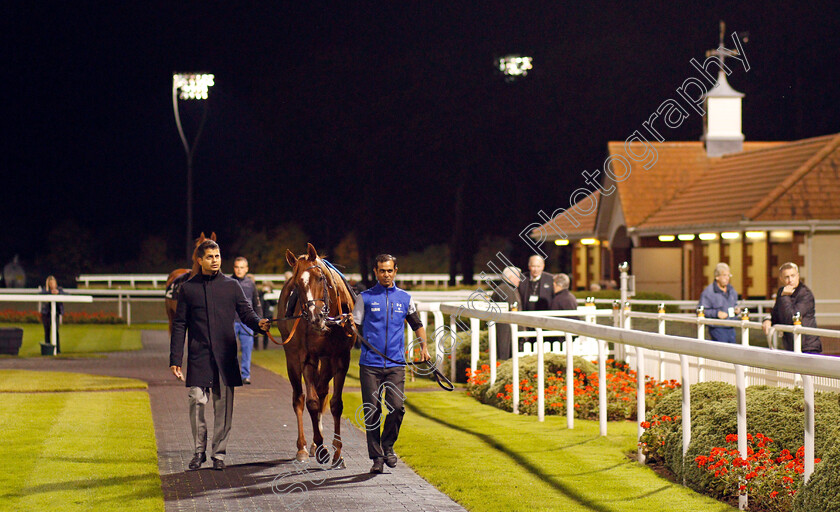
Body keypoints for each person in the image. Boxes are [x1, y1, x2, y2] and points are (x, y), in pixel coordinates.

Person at [169, 240, 270, 471]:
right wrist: (175, 359)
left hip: (225, 358)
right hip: (199, 356)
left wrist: (259, 324)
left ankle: (219, 455)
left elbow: (246, 313)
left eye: (217, 255)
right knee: (196, 401)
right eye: (210, 256)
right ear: (200, 260)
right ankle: (198, 452)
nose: (215, 260)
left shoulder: (232, 286)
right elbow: (179, 324)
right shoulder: (188, 288)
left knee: (223, 409)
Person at [353, 254, 430, 474]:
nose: (386, 274)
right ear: (375, 272)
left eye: (389, 270)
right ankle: (377, 458)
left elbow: (417, 325)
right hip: (370, 364)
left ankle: (387, 445)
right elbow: (354, 326)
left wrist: (424, 347)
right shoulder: (365, 298)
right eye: (381, 271)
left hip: (396, 364)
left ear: (395, 271)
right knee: (373, 411)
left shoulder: (405, 298)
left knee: (397, 407)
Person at [762, 262, 821, 353]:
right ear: (781, 279)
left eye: (793, 276)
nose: (790, 280)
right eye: (787, 277)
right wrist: (768, 320)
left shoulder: (805, 294)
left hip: (808, 346)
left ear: (798, 276)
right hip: (791, 346)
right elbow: (776, 314)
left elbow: (791, 317)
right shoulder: (782, 292)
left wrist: (784, 296)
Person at [232, 257, 262, 383]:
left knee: (246, 351)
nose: (239, 270)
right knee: (229, 350)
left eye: (242, 267)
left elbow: (256, 303)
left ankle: (245, 375)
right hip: (231, 322)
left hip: (247, 323)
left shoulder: (251, 284)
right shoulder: (228, 282)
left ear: (247, 269)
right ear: (234, 268)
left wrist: (258, 322)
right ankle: (230, 373)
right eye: (237, 267)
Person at [699, 262, 740, 343]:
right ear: (717, 277)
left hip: (731, 327)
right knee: (722, 353)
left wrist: (737, 310)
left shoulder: (732, 290)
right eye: (724, 275)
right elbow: (701, 310)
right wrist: (717, 313)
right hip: (717, 328)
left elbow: (734, 304)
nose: (727, 278)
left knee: (733, 353)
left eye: (728, 275)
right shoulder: (709, 292)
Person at [490, 266, 522, 360]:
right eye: (518, 277)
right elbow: (513, 311)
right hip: (507, 331)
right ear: (511, 277)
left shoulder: (502, 288)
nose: (519, 280)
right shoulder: (507, 290)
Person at [39, 276, 64, 353]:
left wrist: (58, 293)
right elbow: (40, 294)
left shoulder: (59, 289)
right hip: (46, 314)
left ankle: (58, 350)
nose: (52, 285)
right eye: (50, 284)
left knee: (56, 331)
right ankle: (47, 349)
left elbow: (66, 294)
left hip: (55, 313)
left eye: (53, 283)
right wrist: (50, 292)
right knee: (47, 331)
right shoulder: (45, 290)